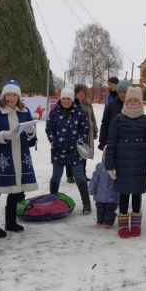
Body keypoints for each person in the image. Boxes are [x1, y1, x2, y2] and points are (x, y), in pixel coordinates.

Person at [0, 80, 38, 237]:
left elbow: (31, 136)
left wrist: (30, 131)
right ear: (4, 95)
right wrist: (4, 135)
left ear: (18, 96)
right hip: (2, 159)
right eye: (9, 94)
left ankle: (11, 222)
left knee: (16, 191)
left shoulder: (25, 111)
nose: (12, 98)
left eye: (15, 95)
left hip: (21, 157)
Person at [105, 86, 146, 238]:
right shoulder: (118, 120)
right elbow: (111, 144)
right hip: (122, 166)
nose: (133, 103)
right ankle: (122, 224)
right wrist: (110, 165)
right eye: (130, 100)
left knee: (136, 194)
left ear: (140, 102)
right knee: (123, 195)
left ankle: (135, 223)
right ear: (126, 102)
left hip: (140, 166)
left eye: (136, 100)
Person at [46, 86, 91, 214]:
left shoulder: (79, 111)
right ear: (61, 99)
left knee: (79, 176)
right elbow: (49, 129)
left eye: (68, 99)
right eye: (63, 98)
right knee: (56, 175)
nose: (66, 101)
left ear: (72, 99)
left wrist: (80, 141)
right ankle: (53, 201)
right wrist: (54, 142)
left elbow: (85, 128)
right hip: (58, 150)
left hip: (75, 151)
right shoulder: (54, 112)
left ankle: (86, 204)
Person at [66, 84, 97, 183]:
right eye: (79, 92)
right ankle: (70, 175)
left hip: (87, 133)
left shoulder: (88, 105)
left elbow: (92, 118)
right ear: (75, 93)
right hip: (74, 134)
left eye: (84, 93)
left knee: (84, 154)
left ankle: (82, 174)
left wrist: (95, 130)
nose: (82, 94)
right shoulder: (70, 105)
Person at [89, 147, 119, 227]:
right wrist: (91, 188)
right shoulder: (100, 166)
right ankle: (100, 220)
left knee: (110, 209)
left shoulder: (118, 167)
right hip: (100, 194)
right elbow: (94, 178)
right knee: (100, 208)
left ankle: (108, 222)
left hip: (112, 194)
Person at [98, 79, 128, 151]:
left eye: (125, 92)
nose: (122, 94)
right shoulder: (111, 106)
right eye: (120, 92)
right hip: (113, 140)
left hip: (129, 142)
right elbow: (105, 123)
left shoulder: (134, 106)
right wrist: (102, 141)